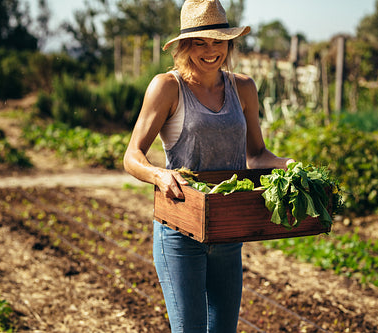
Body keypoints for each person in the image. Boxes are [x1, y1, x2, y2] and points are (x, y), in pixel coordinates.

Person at [123, 0, 294, 332]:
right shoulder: (167, 87)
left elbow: (256, 155)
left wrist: (290, 165)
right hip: (180, 232)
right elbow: (132, 156)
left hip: (228, 230)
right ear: (185, 45)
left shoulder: (243, 88)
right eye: (200, 41)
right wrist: (159, 174)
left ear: (229, 42)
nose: (210, 50)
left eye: (218, 40)